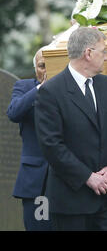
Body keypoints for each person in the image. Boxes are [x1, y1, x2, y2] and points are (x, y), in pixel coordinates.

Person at [34, 27, 107, 231]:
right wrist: (88, 177)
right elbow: (51, 145)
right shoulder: (52, 91)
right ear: (88, 53)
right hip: (72, 200)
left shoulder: (106, 84)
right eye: (103, 51)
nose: (106, 58)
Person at [6, 47, 51, 231]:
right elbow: (14, 112)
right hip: (37, 183)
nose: (47, 70)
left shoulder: (71, 90)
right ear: (35, 69)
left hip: (68, 184)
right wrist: (42, 87)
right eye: (42, 66)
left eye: (52, 65)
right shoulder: (25, 87)